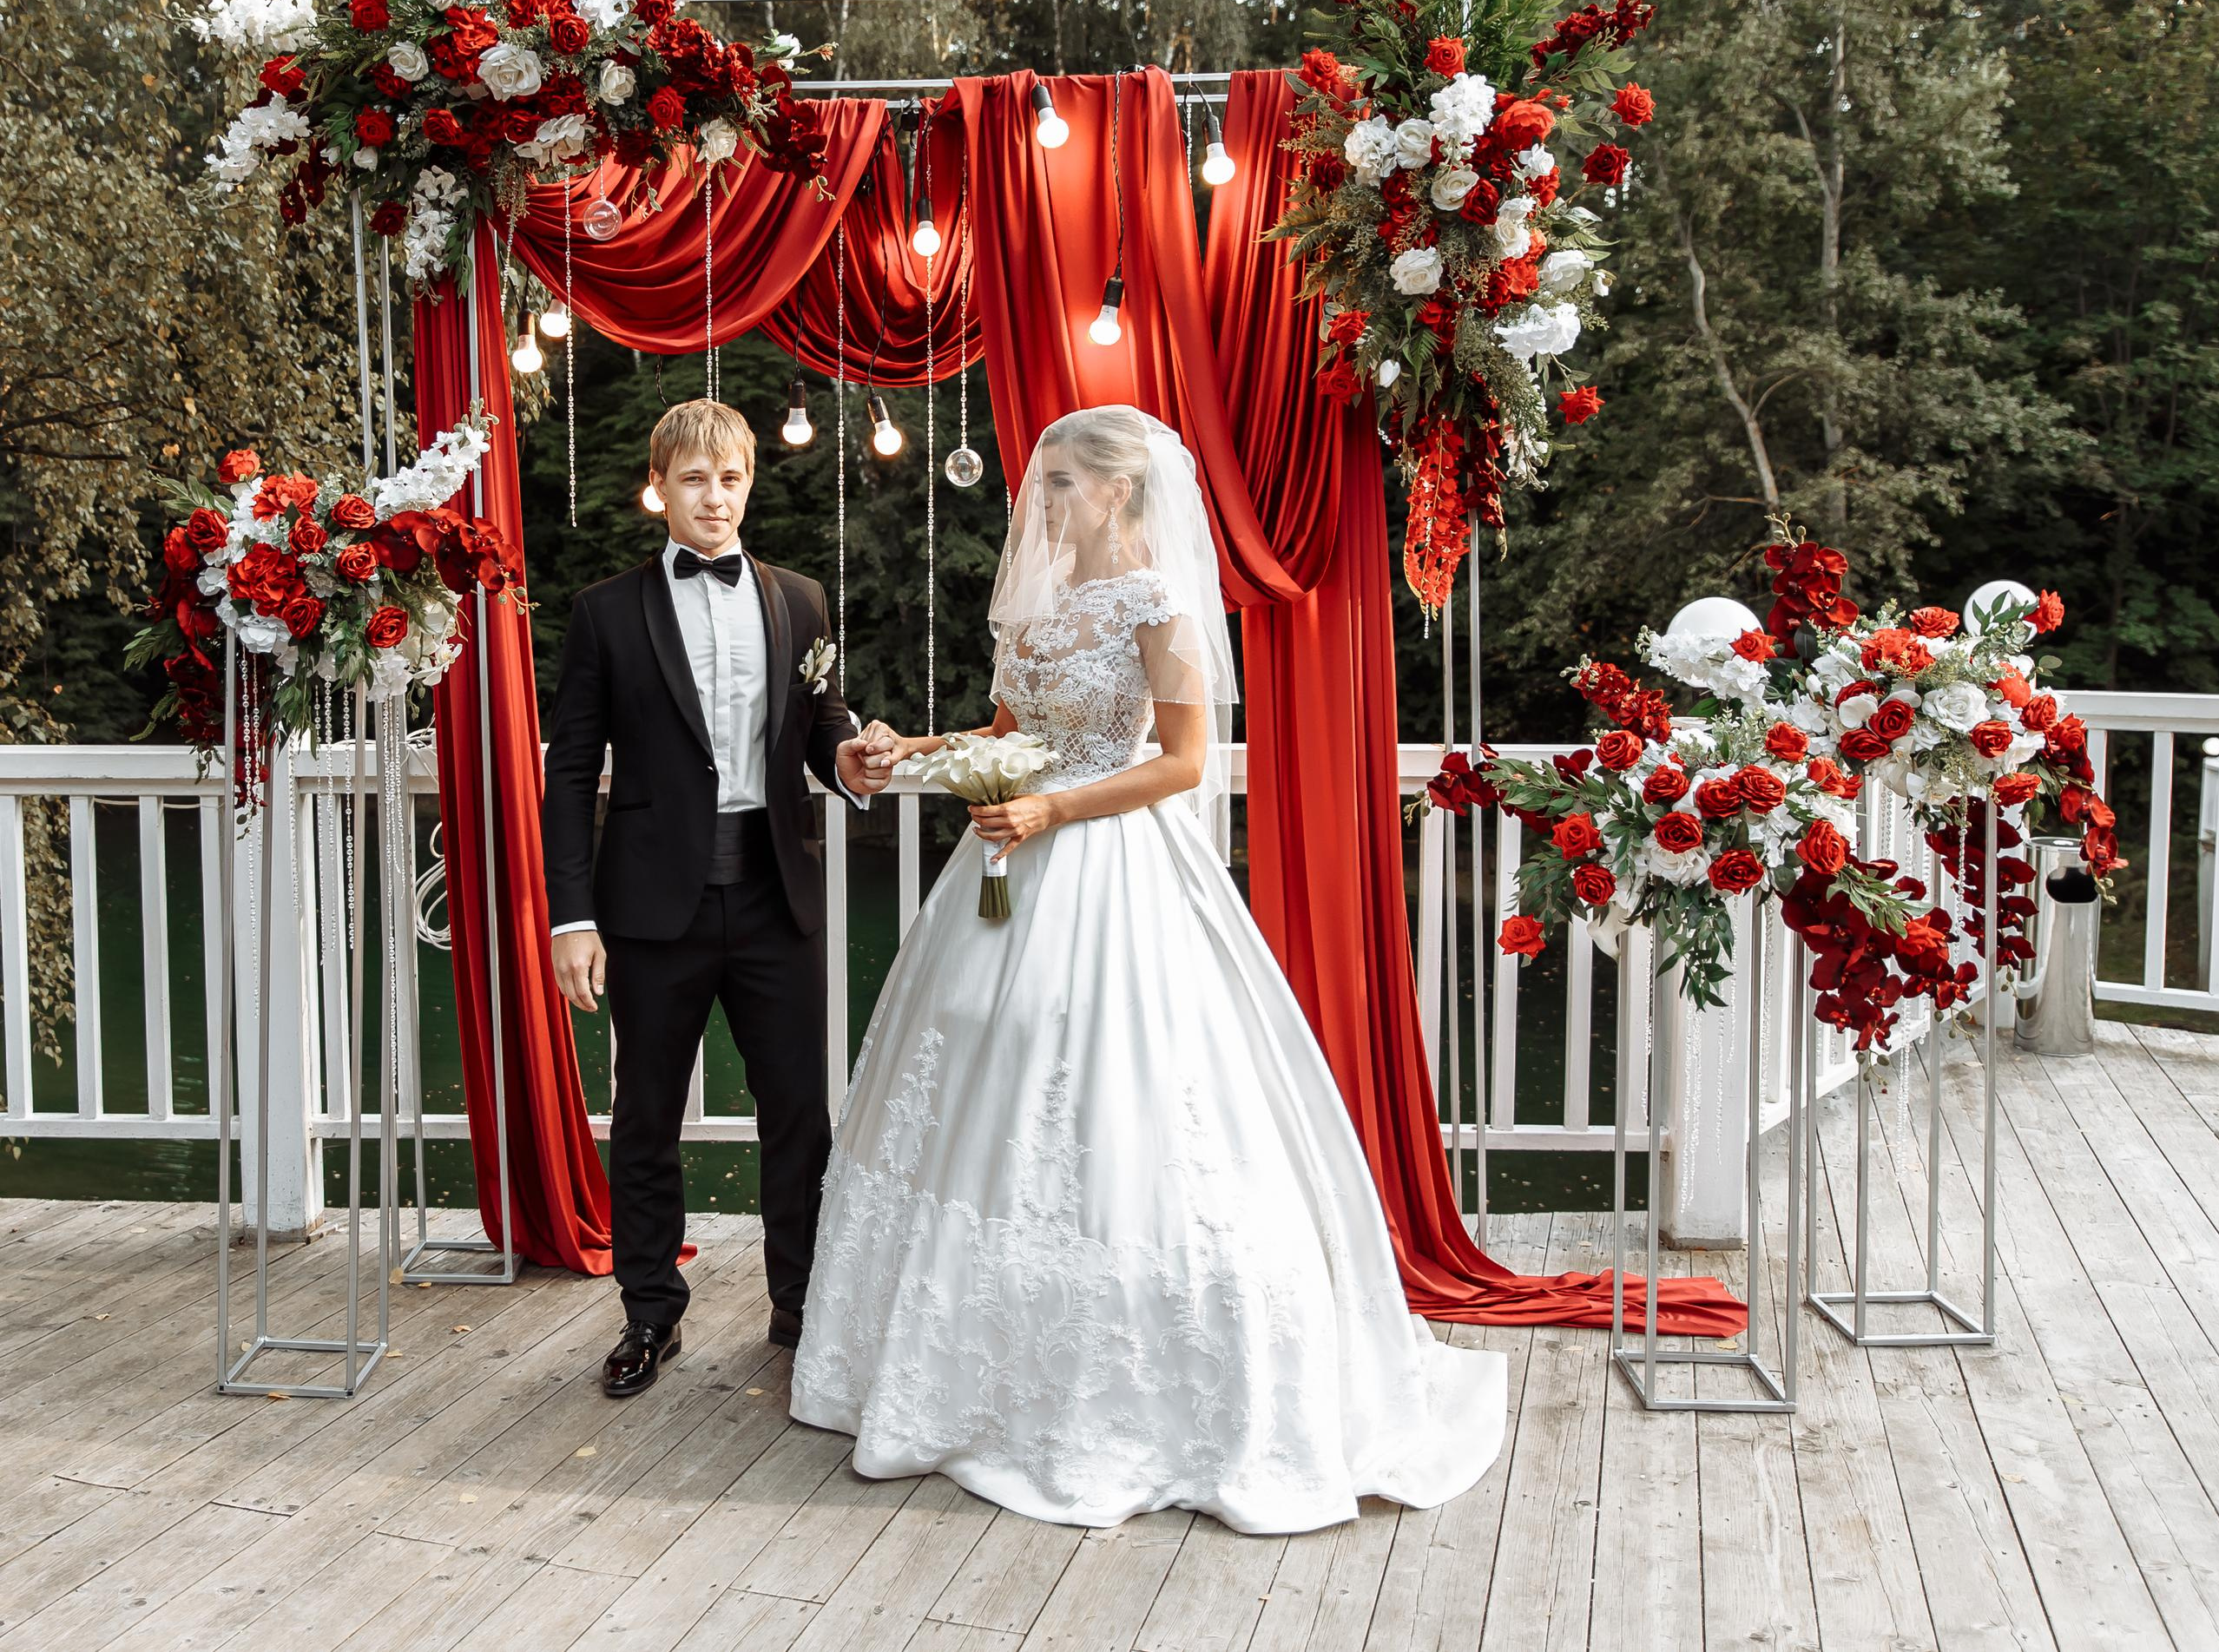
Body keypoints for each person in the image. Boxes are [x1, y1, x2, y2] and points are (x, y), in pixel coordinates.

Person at [790, 406, 1505, 1535]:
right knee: (986, 1068)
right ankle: (965, 1364)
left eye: (1066, 482)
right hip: (1014, 856)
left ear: (1120, 493)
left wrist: (1054, 807)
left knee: (1123, 1090)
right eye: (1045, 480)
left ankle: (1139, 1371)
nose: (1045, 499)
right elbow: (1010, 728)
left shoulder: (1158, 602)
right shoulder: (1031, 600)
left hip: (1111, 861)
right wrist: (912, 750)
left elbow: (1179, 760)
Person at [541, 398, 894, 1398]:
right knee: (646, 1116)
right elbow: (570, 774)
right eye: (694, 479)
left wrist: (851, 761)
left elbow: (821, 725)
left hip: (777, 894)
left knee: (799, 1115)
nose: (714, 498)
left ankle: (800, 1305)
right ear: (661, 487)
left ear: (749, 483)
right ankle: (650, 1313)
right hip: (652, 906)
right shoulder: (606, 612)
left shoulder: (800, 599)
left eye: (730, 478)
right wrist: (573, 918)